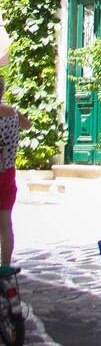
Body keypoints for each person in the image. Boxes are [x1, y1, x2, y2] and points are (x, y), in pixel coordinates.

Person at [0, 78, 30, 268]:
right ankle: (5, 266)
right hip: (8, 173)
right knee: (6, 223)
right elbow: (28, 125)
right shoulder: (13, 114)